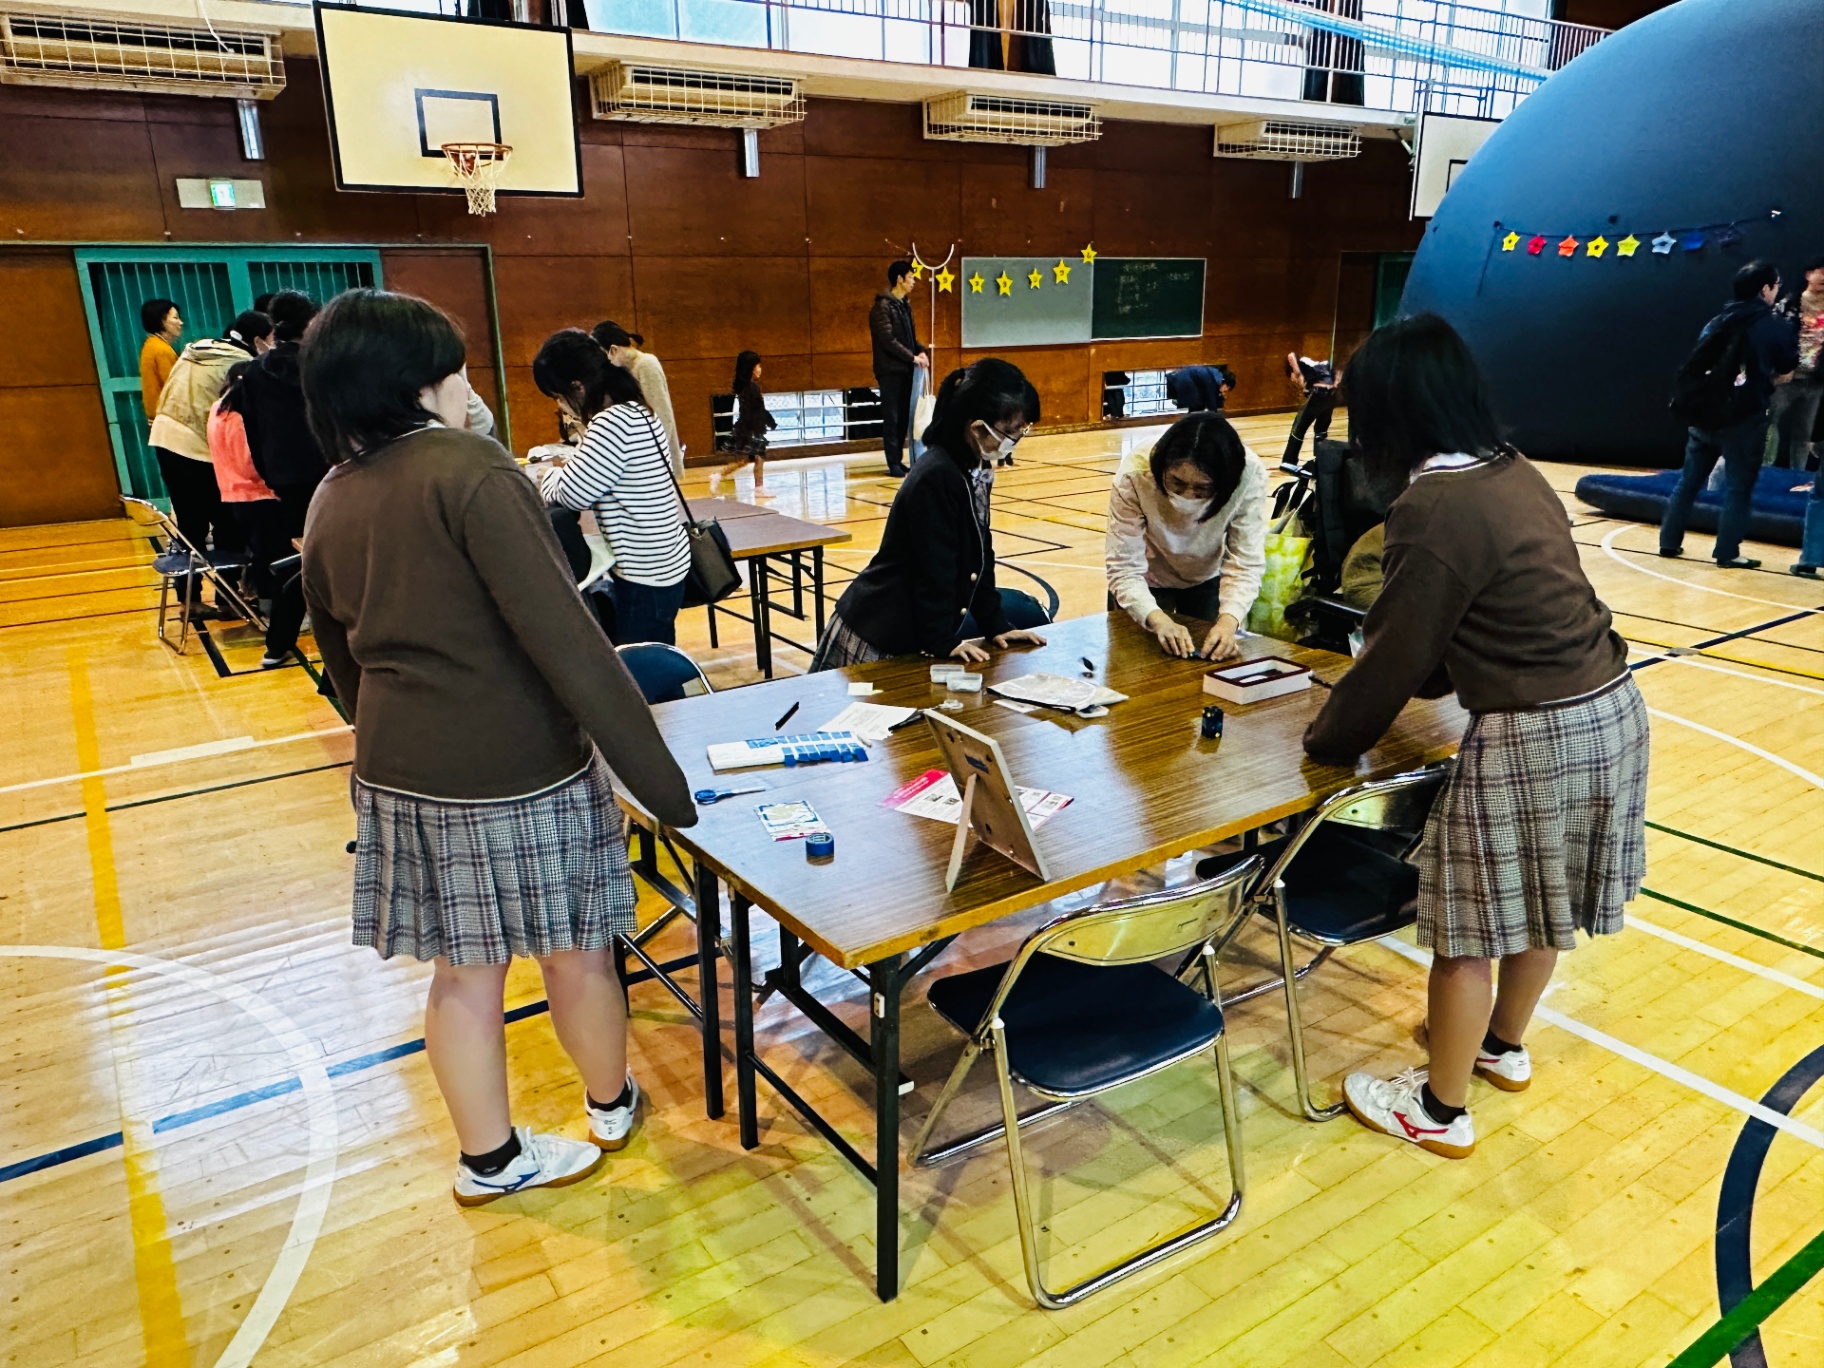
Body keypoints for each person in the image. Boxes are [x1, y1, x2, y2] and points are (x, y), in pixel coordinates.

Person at [298, 289, 697, 1206]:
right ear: (420, 383)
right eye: (457, 372)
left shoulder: (332, 492)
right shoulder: (471, 470)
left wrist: (389, 738)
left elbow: (339, 658)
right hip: (521, 771)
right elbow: (569, 643)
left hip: (397, 773)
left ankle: (490, 1161)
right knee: (576, 953)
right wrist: (664, 789)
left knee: (463, 976)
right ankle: (610, 1105)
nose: (468, 389)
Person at [1299, 314, 1647, 1160]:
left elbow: (1397, 658)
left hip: (1534, 732)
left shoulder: (1433, 504)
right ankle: (1499, 1046)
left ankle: (1438, 1108)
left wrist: (1327, 742)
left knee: (1466, 931)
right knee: (1541, 907)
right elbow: (1466, 628)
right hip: (1613, 709)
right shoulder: (1511, 468)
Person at [811, 358, 1047, 668]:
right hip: (879, 631)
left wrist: (996, 624)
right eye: (1011, 432)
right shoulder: (937, 474)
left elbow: (980, 553)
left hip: (914, 625)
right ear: (977, 427)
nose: (1013, 442)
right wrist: (941, 640)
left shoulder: (973, 465)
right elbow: (935, 568)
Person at [533, 330, 692, 646]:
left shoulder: (612, 422)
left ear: (577, 386)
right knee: (657, 652)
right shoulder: (636, 409)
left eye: (559, 396)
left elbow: (574, 492)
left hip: (645, 573)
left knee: (639, 664)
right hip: (665, 563)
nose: (561, 406)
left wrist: (546, 477)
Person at [1659, 261, 1800, 569]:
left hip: (1705, 413)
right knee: (1739, 488)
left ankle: (1668, 541)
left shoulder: (1718, 320)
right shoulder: (1773, 326)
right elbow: (1786, 368)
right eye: (1776, 285)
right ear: (1765, 289)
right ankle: (1727, 552)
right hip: (1744, 417)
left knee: (1689, 482)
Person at [1105, 412, 1267, 661]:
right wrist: (1158, 619)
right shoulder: (1135, 473)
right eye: (1176, 483)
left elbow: (1245, 561)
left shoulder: (1249, 475)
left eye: (1202, 488)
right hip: (1144, 579)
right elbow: (1123, 567)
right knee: (1133, 662)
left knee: (1209, 656)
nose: (1188, 495)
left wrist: (1228, 621)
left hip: (1206, 577)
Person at [148, 310, 272, 617]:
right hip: (193, 446)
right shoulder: (240, 364)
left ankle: (190, 600)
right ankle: (228, 599)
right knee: (227, 522)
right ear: (258, 339)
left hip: (165, 438)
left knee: (189, 525)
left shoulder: (201, 348)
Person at [241, 291, 329, 665]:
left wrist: (269, 473)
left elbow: (252, 430)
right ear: (310, 323)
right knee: (327, 554)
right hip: (327, 471)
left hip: (283, 475)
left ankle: (277, 645)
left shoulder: (255, 371)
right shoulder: (320, 367)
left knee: (297, 558)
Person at [591, 322, 682, 478]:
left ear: (613, 350)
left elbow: (662, 415)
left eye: (605, 356)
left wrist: (653, 456)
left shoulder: (646, 364)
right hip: (641, 454)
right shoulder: (625, 370)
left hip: (655, 456)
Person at [870, 261, 930, 478]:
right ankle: (893, 462)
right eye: (911, 277)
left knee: (904, 418)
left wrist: (920, 351)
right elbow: (887, 340)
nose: (913, 282)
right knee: (892, 418)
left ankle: (899, 460)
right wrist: (912, 357)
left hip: (905, 370)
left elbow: (909, 339)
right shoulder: (882, 307)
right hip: (890, 371)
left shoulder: (904, 305)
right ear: (899, 279)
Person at [1770, 256, 1824, 470]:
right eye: (1822, 272)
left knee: (1804, 433)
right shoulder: (1790, 304)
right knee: (1769, 425)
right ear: (1809, 274)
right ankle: (1762, 471)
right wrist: (1780, 367)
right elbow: (1773, 337)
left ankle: (1798, 474)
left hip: (1815, 381)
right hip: (1786, 378)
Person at [717, 350, 775, 490]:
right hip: (751, 429)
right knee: (759, 458)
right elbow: (756, 409)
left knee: (746, 460)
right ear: (751, 368)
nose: (760, 369)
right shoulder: (751, 388)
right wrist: (768, 421)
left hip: (748, 428)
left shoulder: (746, 387)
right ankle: (759, 488)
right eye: (758, 366)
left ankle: (718, 475)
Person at [1283, 351, 1338, 468]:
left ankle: (1289, 460)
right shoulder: (1317, 367)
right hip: (1332, 394)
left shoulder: (1303, 362)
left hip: (1320, 391)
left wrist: (1298, 374)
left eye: (1292, 378)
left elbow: (1291, 355)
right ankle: (1321, 460)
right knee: (1321, 429)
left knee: (1299, 427)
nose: (1294, 382)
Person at [138, 298, 182, 423]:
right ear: (162, 321)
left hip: (158, 417)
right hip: (168, 419)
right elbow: (175, 388)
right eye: (175, 318)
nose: (180, 322)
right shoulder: (162, 350)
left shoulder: (150, 344)